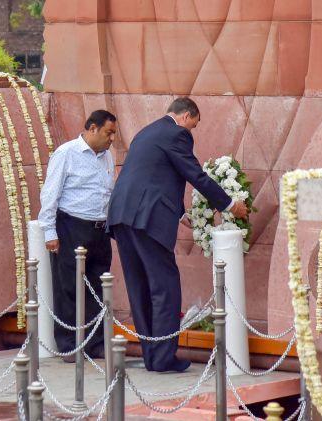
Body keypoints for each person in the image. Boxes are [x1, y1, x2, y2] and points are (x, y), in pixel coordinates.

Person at [107, 97, 248, 372]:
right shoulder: (176, 133)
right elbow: (194, 174)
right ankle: (163, 358)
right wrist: (230, 204)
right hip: (147, 219)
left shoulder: (147, 132)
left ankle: (152, 355)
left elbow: (155, 175)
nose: (191, 131)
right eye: (193, 126)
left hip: (122, 216)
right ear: (185, 117)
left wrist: (180, 213)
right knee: (165, 287)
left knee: (140, 287)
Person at [38, 110, 118, 363]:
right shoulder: (66, 153)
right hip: (72, 225)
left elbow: (108, 191)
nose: (112, 138)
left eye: (114, 133)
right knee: (68, 287)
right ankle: (69, 344)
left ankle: (95, 343)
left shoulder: (108, 156)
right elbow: (50, 193)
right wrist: (49, 231)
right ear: (92, 128)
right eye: (108, 132)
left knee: (98, 285)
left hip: (99, 228)